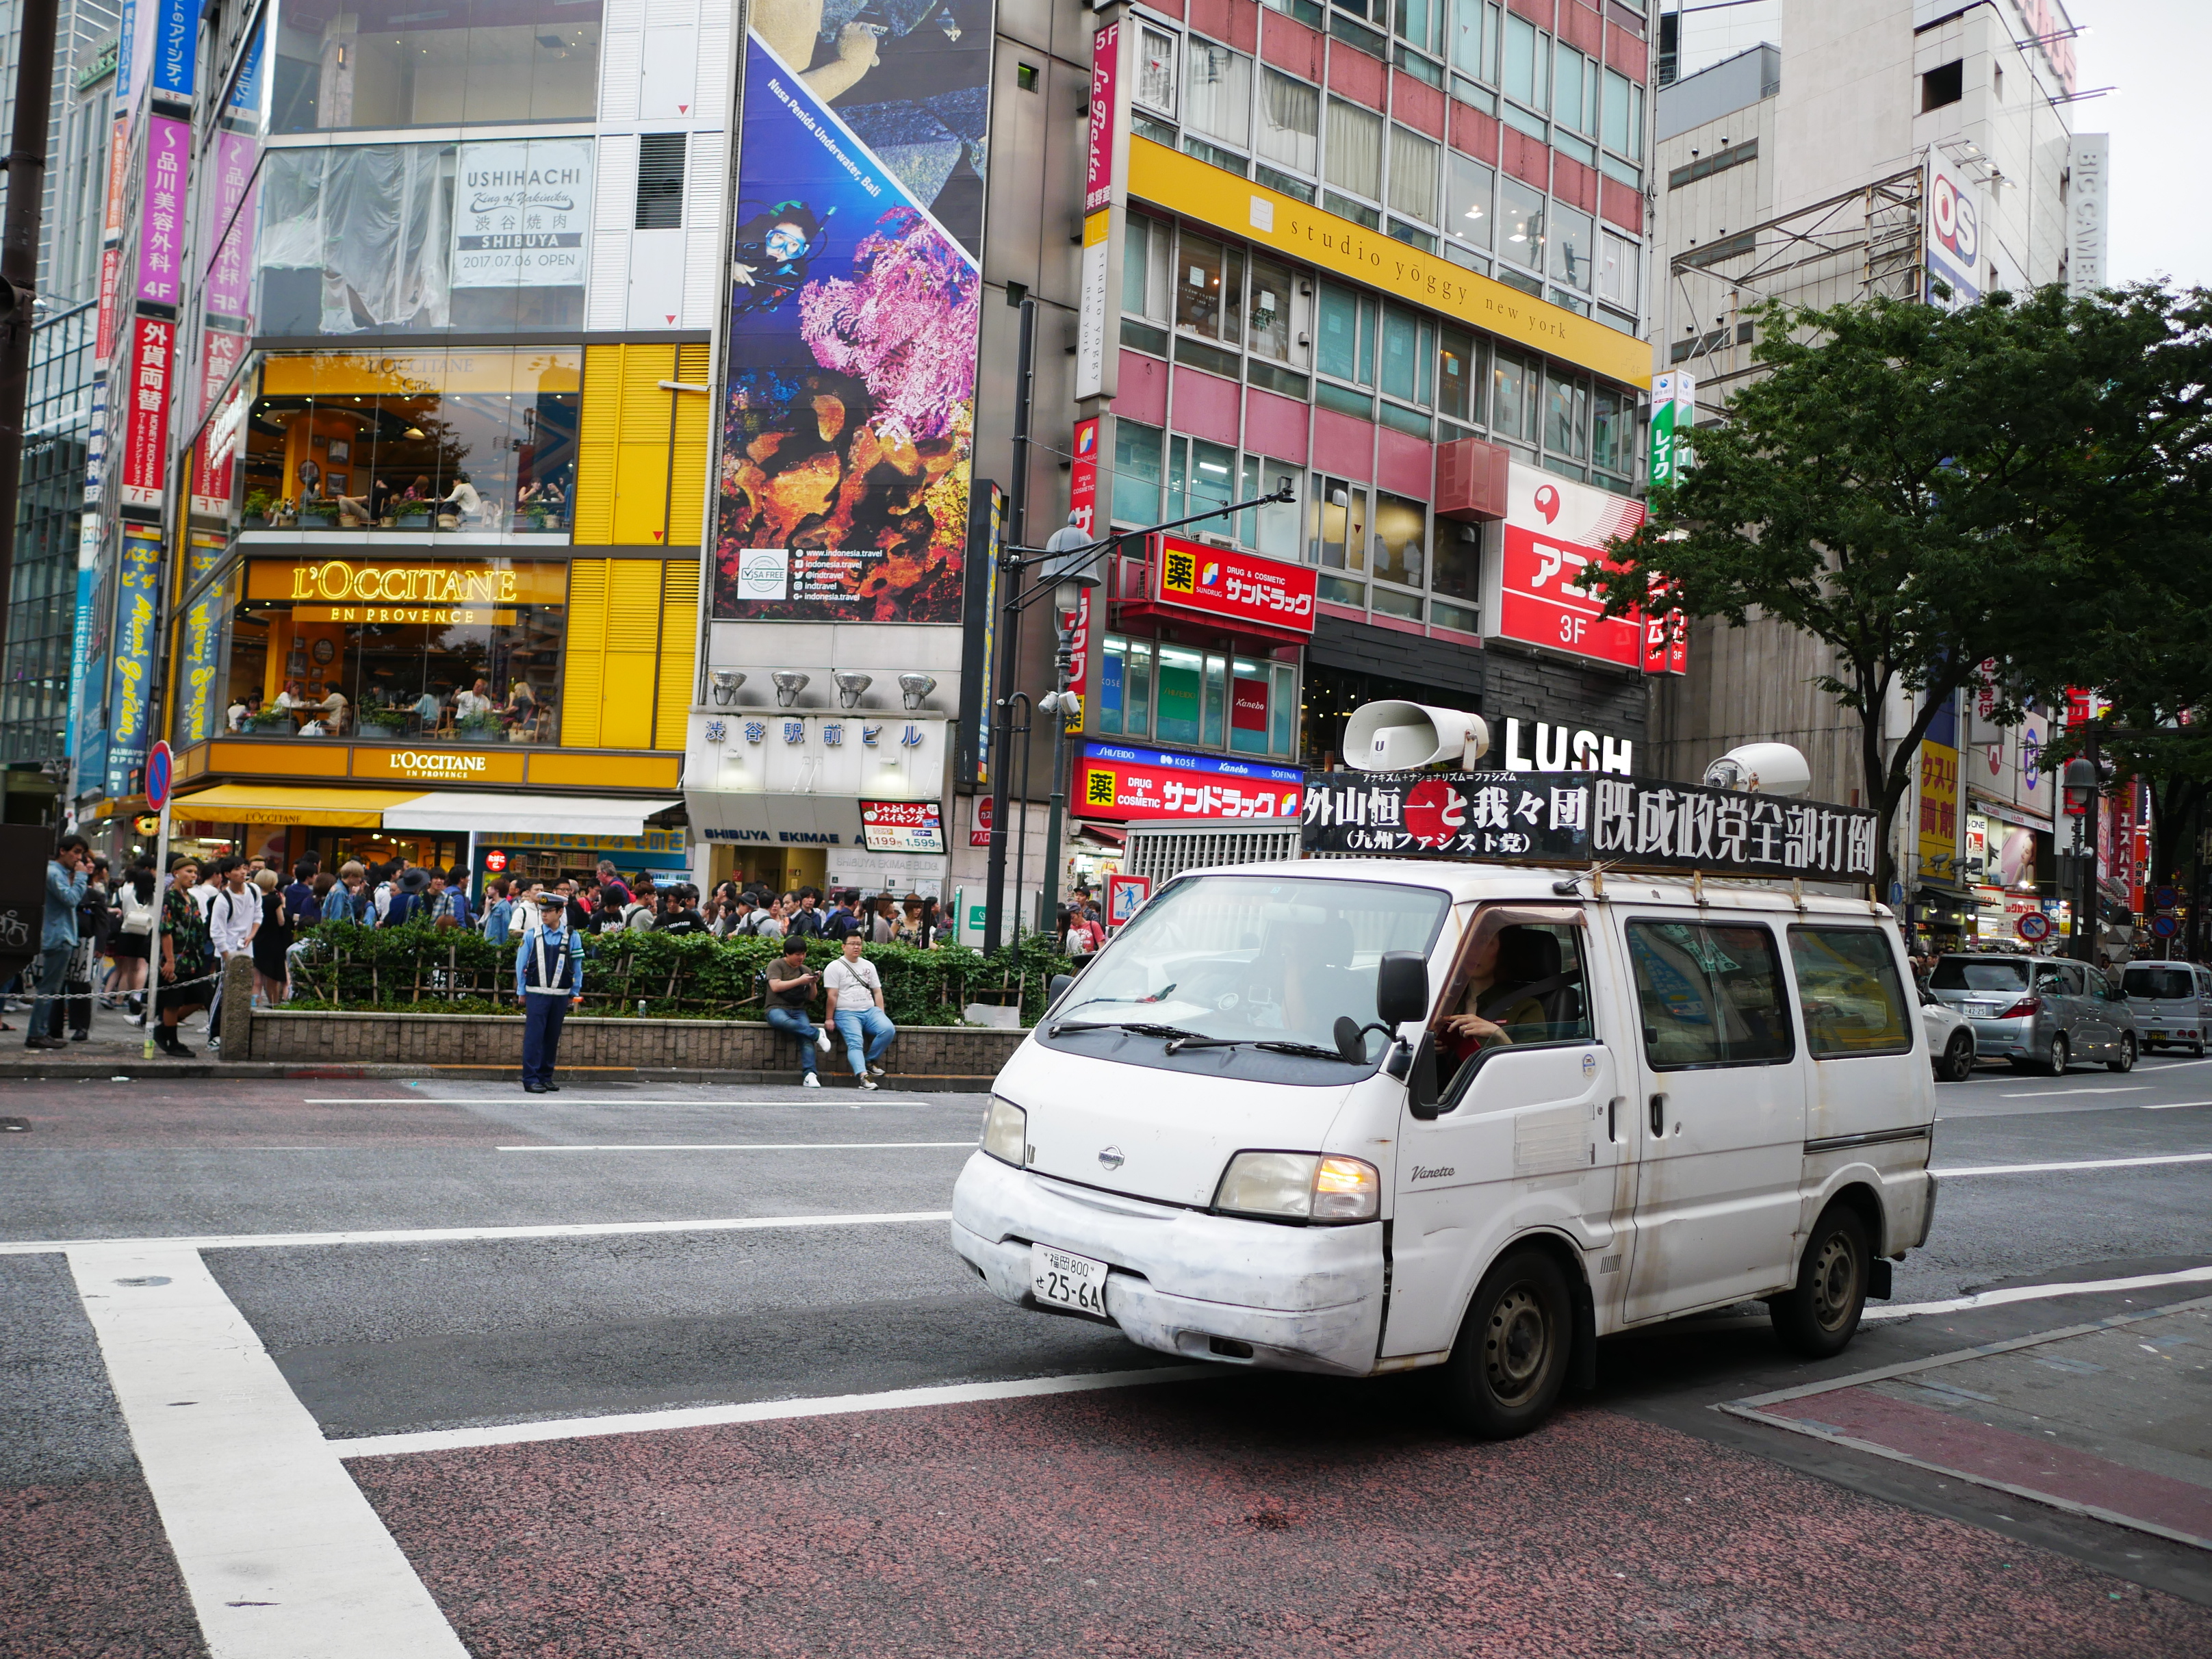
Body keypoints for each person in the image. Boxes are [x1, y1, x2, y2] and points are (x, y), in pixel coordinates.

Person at [514, 891, 584, 1092]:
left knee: (552, 1038)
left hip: (561, 995)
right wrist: (521, 990)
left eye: (549, 911)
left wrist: (574, 992)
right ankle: (530, 1078)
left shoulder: (572, 936)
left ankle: (546, 1076)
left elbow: (578, 967)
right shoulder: (531, 935)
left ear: (560, 912)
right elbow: (521, 964)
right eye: (542, 911)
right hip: (536, 993)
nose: (544, 915)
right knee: (534, 1037)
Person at [25, 836, 88, 1050]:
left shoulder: (57, 873)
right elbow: (70, 899)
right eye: (76, 852)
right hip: (59, 936)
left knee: (51, 989)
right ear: (63, 850)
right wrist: (81, 877)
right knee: (49, 989)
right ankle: (37, 1033)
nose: (78, 858)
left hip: (59, 935)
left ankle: (40, 1032)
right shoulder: (54, 873)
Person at [153, 856, 215, 1057]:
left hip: (195, 959)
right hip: (176, 958)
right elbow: (166, 931)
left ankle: (163, 1029)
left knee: (201, 997)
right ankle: (171, 1040)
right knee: (172, 1001)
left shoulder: (193, 899)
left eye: (195, 872)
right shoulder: (169, 899)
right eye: (188, 871)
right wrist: (170, 961)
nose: (193, 876)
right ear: (176, 873)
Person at [822, 932, 895, 1090]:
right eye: (852, 944)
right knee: (855, 1042)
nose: (856, 947)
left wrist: (880, 1013)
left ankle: (869, 1060)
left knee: (888, 1029)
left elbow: (877, 991)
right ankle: (863, 1076)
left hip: (869, 1011)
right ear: (843, 946)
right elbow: (832, 996)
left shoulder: (869, 965)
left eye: (859, 944)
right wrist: (829, 1018)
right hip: (846, 1012)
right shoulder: (834, 967)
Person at [762, 937, 831, 1088]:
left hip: (798, 1010)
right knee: (782, 1021)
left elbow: (812, 997)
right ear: (787, 954)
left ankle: (810, 1075)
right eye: (797, 954)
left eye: (804, 954)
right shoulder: (776, 965)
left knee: (805, 1037)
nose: (801, 958)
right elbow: (775, 986)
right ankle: (817, 1034)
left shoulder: (805, 970)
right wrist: (800, 981)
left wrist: (813, 983)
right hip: (776, 1008)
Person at [110, 861, 155, 1022]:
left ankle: (130, 993)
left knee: (129, 967)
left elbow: (125, 911)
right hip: (145, 933)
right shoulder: (155, 897)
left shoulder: (129, 894)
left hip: (128, 932)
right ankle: (137, 994)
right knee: (142, 965)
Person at [251, 869, 293, 1007]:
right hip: (273, 942)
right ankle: (274, 1006)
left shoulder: (253, 899)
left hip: (256, 941)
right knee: (272, 979)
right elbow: (281, 921)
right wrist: (284, 905)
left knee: (257, 981)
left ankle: (253, 1007)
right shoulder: (274, 900)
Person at [482, 877, 515, 944]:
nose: (488, 888)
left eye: (491, 887)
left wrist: (504, 947)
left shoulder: (503, 907)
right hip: (492, 944)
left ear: (497, 890)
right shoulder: (498, 906)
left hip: (497, 946)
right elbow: (485, 924)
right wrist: (487, 905)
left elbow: (505, 928)